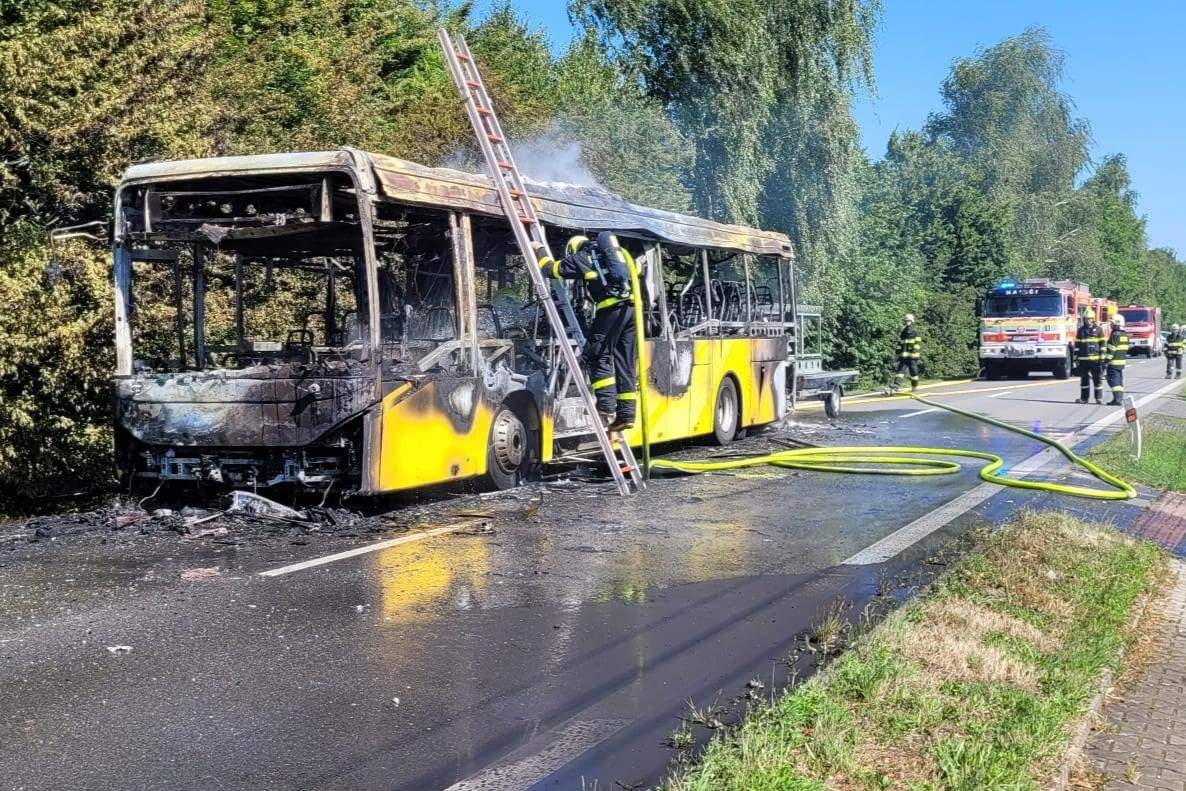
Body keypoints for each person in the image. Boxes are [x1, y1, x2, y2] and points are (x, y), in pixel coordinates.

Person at [534, 232, 638, 431]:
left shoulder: (583, 258)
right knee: (625, 362)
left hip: (610, 310)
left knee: (598, 355)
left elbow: (551, 269)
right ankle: (626, 414)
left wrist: (538, 249)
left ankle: (606, 407)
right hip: (631, 311)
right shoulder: (616, 257)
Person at [1075, 311, 1105, 404]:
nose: (1088, 320)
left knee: (1097, 380)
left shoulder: (1099, 330)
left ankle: (1098, 398)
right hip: (1083, 360)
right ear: (1084, 319)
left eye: (1090, 319)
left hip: (1095, 360)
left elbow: (1103, 345)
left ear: (1093, 319)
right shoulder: (1081, 330)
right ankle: (1084, 399)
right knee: (1084, 381)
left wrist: (1102, 358)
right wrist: (1076, 359)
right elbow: (1077, 345)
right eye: (1086, 319)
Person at [1103, 313, 1128, 406]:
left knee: (1113, 381)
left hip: (1113, 362)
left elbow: (1111, 349)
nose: (1111, 325)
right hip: (1121, 362)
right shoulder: (1124, 334)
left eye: (1112, 323)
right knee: (1119, 381)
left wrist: (1106, 361)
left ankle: (1117, 400)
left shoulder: (1115, 334)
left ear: (1117, 324)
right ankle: (1118, 399)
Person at [892, 314, 922, 392]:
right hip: (904, 355)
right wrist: (898, 351)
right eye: (906, 321)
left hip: (913, 356)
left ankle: (914, 387)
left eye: (908, 321)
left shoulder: (915, 331)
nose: (907, 322)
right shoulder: (904, 331)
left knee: (913, 372)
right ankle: (896, 385)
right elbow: (900, 342)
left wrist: (914, 350)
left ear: (912, 321)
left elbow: (918, 342)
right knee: (900, 370)